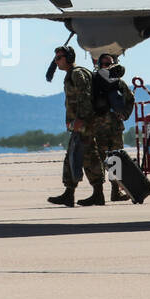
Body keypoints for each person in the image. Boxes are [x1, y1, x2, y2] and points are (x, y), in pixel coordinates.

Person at [47, 46, 105, 206]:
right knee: (88, 156)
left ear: (69, 57)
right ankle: (93, 194)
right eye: (56, 58)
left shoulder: (77, 74)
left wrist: (80, 119)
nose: (57, 61)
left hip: (83, 123)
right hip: (83, 122)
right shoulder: (74, 74)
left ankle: (72, 193)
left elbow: (84, 97)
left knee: (76, 156)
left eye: (59, 58)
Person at [91, 52, 134, 202]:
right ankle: (98, 193)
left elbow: (130, 99)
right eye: (104, 64)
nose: (107, 67)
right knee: (101, 160)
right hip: (99, 127)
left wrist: (125, 114)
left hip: (115, 127)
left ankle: (115, 191)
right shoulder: (94, 82)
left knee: (115, 159)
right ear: (98, 65)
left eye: (109, 64)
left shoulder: (119, 83)